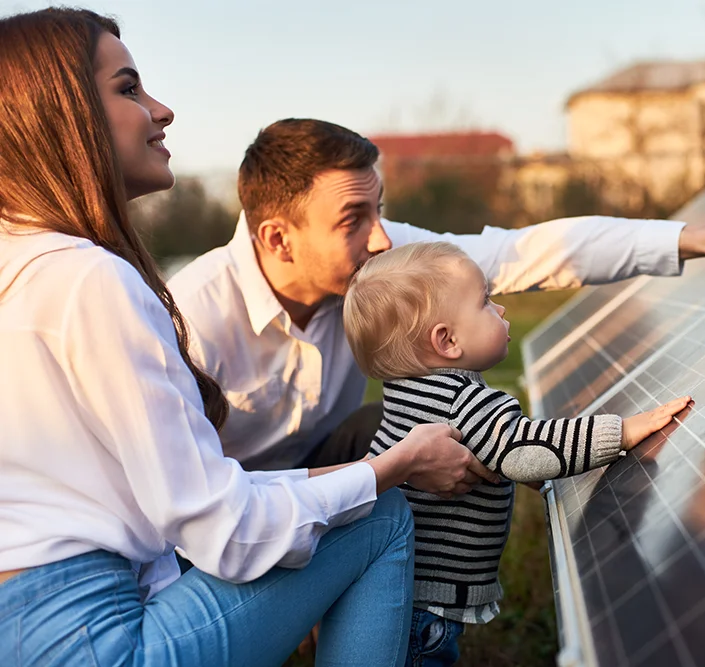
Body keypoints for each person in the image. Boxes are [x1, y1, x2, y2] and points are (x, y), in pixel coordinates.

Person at [0, 9, 497, 667]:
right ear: (61, 117)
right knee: (379, 514)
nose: (162, 109)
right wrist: (391, 468)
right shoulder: (91, 279)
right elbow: (224, 532)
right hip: (95, 641)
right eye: (128, 89)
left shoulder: (21, 264)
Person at [168, 118, 705, 474]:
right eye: (353, 221)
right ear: (279, 239)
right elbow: (182, 502)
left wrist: (704, 238)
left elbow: (525, 252)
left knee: (432, 424)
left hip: (326, 469)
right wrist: (382, 476)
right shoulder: (190, 320)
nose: (380, 242)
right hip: (225, 516)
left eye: (380, 211)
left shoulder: (380, 258)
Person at [342, 241, 695, 666]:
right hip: (425, 606)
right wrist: (621, 432)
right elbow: (524, 449)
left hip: (396, 587)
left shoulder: (405, 395)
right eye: (486, 301)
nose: (502, 310)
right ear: (447, 341)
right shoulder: (463, 401)